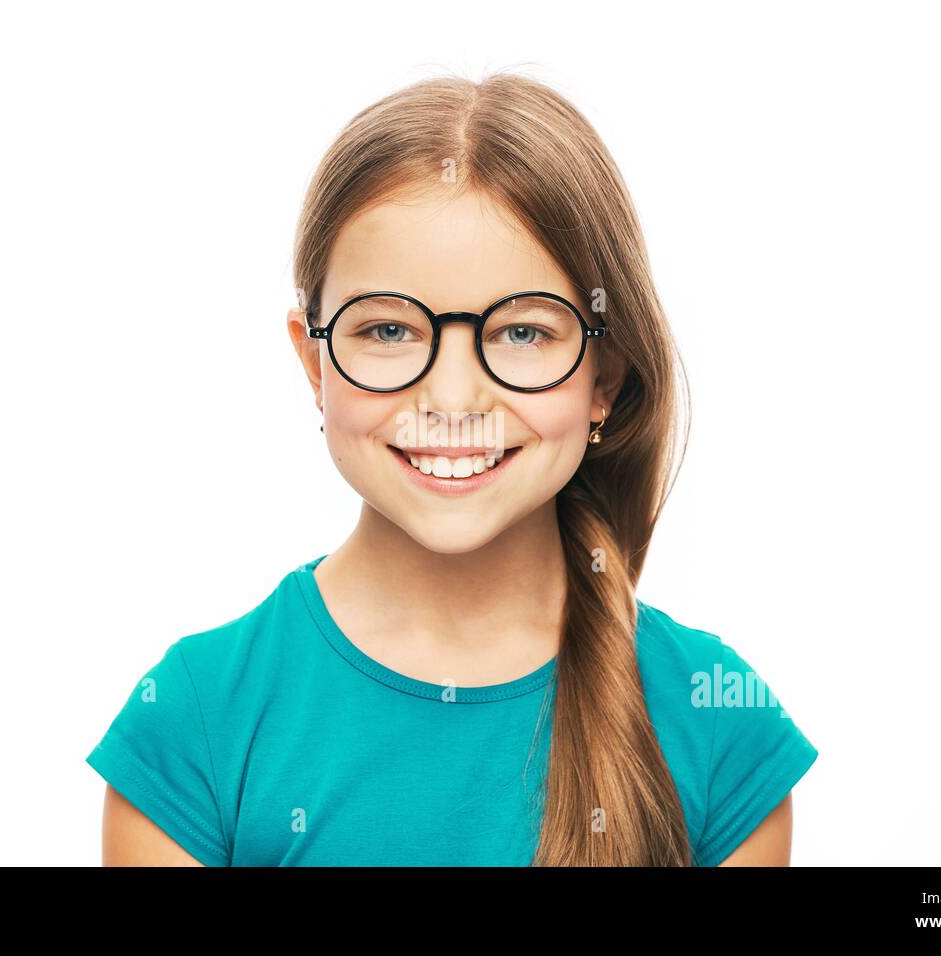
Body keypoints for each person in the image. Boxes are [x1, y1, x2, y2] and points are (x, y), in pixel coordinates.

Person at [86, 71, 818, 866]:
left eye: (524, 333)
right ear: (313, 363)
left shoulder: (717, 727)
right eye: (391, 331)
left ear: (605, 376)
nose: (453, 395)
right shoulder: (194, 723)